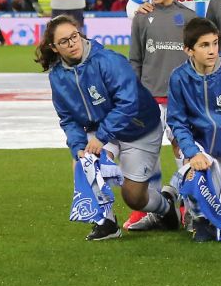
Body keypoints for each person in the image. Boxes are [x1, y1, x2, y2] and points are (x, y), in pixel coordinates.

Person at [39, 14, 176, 241]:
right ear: (54, 47)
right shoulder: (57, 76)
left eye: (74, 36)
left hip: (138, 127)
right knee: (83, 163)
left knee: (133, 197)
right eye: (64, 41)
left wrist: (101, 137)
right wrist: (78, 146)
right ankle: (107, 222)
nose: (72, 43)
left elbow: (128, 103)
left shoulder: (108, 60)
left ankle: (165, 206)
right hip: (103, 129)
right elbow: (68, 118)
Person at [167, 16, 221, 243]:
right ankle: (199, 219)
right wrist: (192, 153)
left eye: (215, 43)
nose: (212, 50)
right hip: (201, 153)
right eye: (204, 45)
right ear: (188, 50)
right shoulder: (178, 78)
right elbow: (177, 122)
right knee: (192, 169)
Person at [125, 0, 189, 230]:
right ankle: (155, 211)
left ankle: (189, 206)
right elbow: (135, 60)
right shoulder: (142, 17)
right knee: (147, 156)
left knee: (183, 150)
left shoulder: (189, 18)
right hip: (149, 100)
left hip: (179, 100)